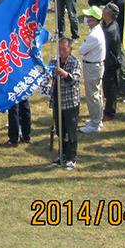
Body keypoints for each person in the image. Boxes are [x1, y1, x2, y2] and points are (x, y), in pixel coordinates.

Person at [49, 36, 82, 170]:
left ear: (70, 49)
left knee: (71, 131)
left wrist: (64, 74)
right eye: (59, 49)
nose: (61, 52)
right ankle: (62, 155)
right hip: (58, 101)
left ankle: (71, 158)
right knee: (60, 131)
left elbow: (76, 79)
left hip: (70, 103)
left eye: (64, 49)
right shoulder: (54, 60)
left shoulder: (75, 62)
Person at [78, 6, 106, 133]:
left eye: (89, 18)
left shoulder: (94, 35)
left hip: (92, 67)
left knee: (92, 95)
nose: (87, 20)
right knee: (97, 94)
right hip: (95, 65)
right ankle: (97, 119)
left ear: (95, 20)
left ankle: (95, 124)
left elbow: (81, 50)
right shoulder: (96, 31)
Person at [100, 3, 123, 122]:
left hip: (111, 62)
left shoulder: (111, 30)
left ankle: (110, 112)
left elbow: (106, 47)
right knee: (107, 87)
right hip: (109, 61)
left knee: (110, 89)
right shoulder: (108, 26)